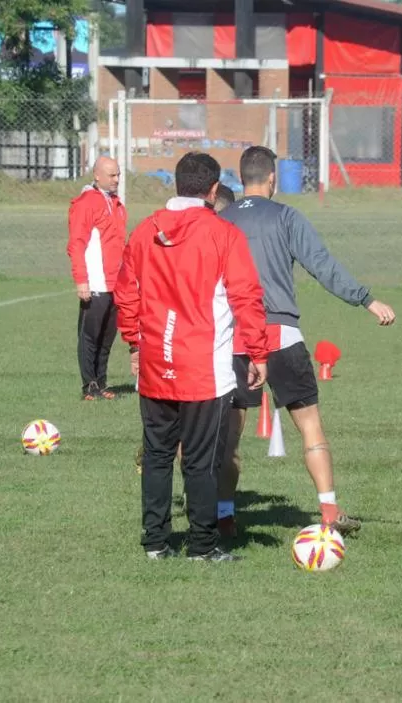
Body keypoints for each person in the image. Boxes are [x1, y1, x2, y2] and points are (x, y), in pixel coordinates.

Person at [218, 146, 396, 537]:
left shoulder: (220, 221)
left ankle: (224, 516)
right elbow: (323, 267)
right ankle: (330, 512)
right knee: (310, 426)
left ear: (240, 178)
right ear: (272, 179)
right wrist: (367, 299)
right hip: (280, 334)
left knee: (230, 435)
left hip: (232, 339)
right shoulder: (285, 216)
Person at [114, 153, 270, 561]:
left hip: (154, 366)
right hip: (204, 370)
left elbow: (125, 292)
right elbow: (247, 297)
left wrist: (135, 342)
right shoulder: (223, 235)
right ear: (214, 190)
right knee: (200, 462)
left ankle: (155, 543)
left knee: (158, 455)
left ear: (177, 185)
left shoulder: (144, 231)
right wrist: (257, 352)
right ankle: (203, 546)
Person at [133, 181, 238, 477]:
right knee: (199, 451)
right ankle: (209, 517)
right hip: (196, 357)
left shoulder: (151, 230)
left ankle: (177, 516)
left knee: (200, 445)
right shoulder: (215, 237)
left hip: (176, 351)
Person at [67, 156, 128, 400]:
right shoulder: (86, 203)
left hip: (115, 283)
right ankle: (88, 386)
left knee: (107, 337)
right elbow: (76, 244)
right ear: (97, 175)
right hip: (95, 283)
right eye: (112, 175)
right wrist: (82, 280)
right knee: (90, 337)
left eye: (118, 175)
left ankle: (101, 382)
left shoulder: (116, 203)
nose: (116, 180)